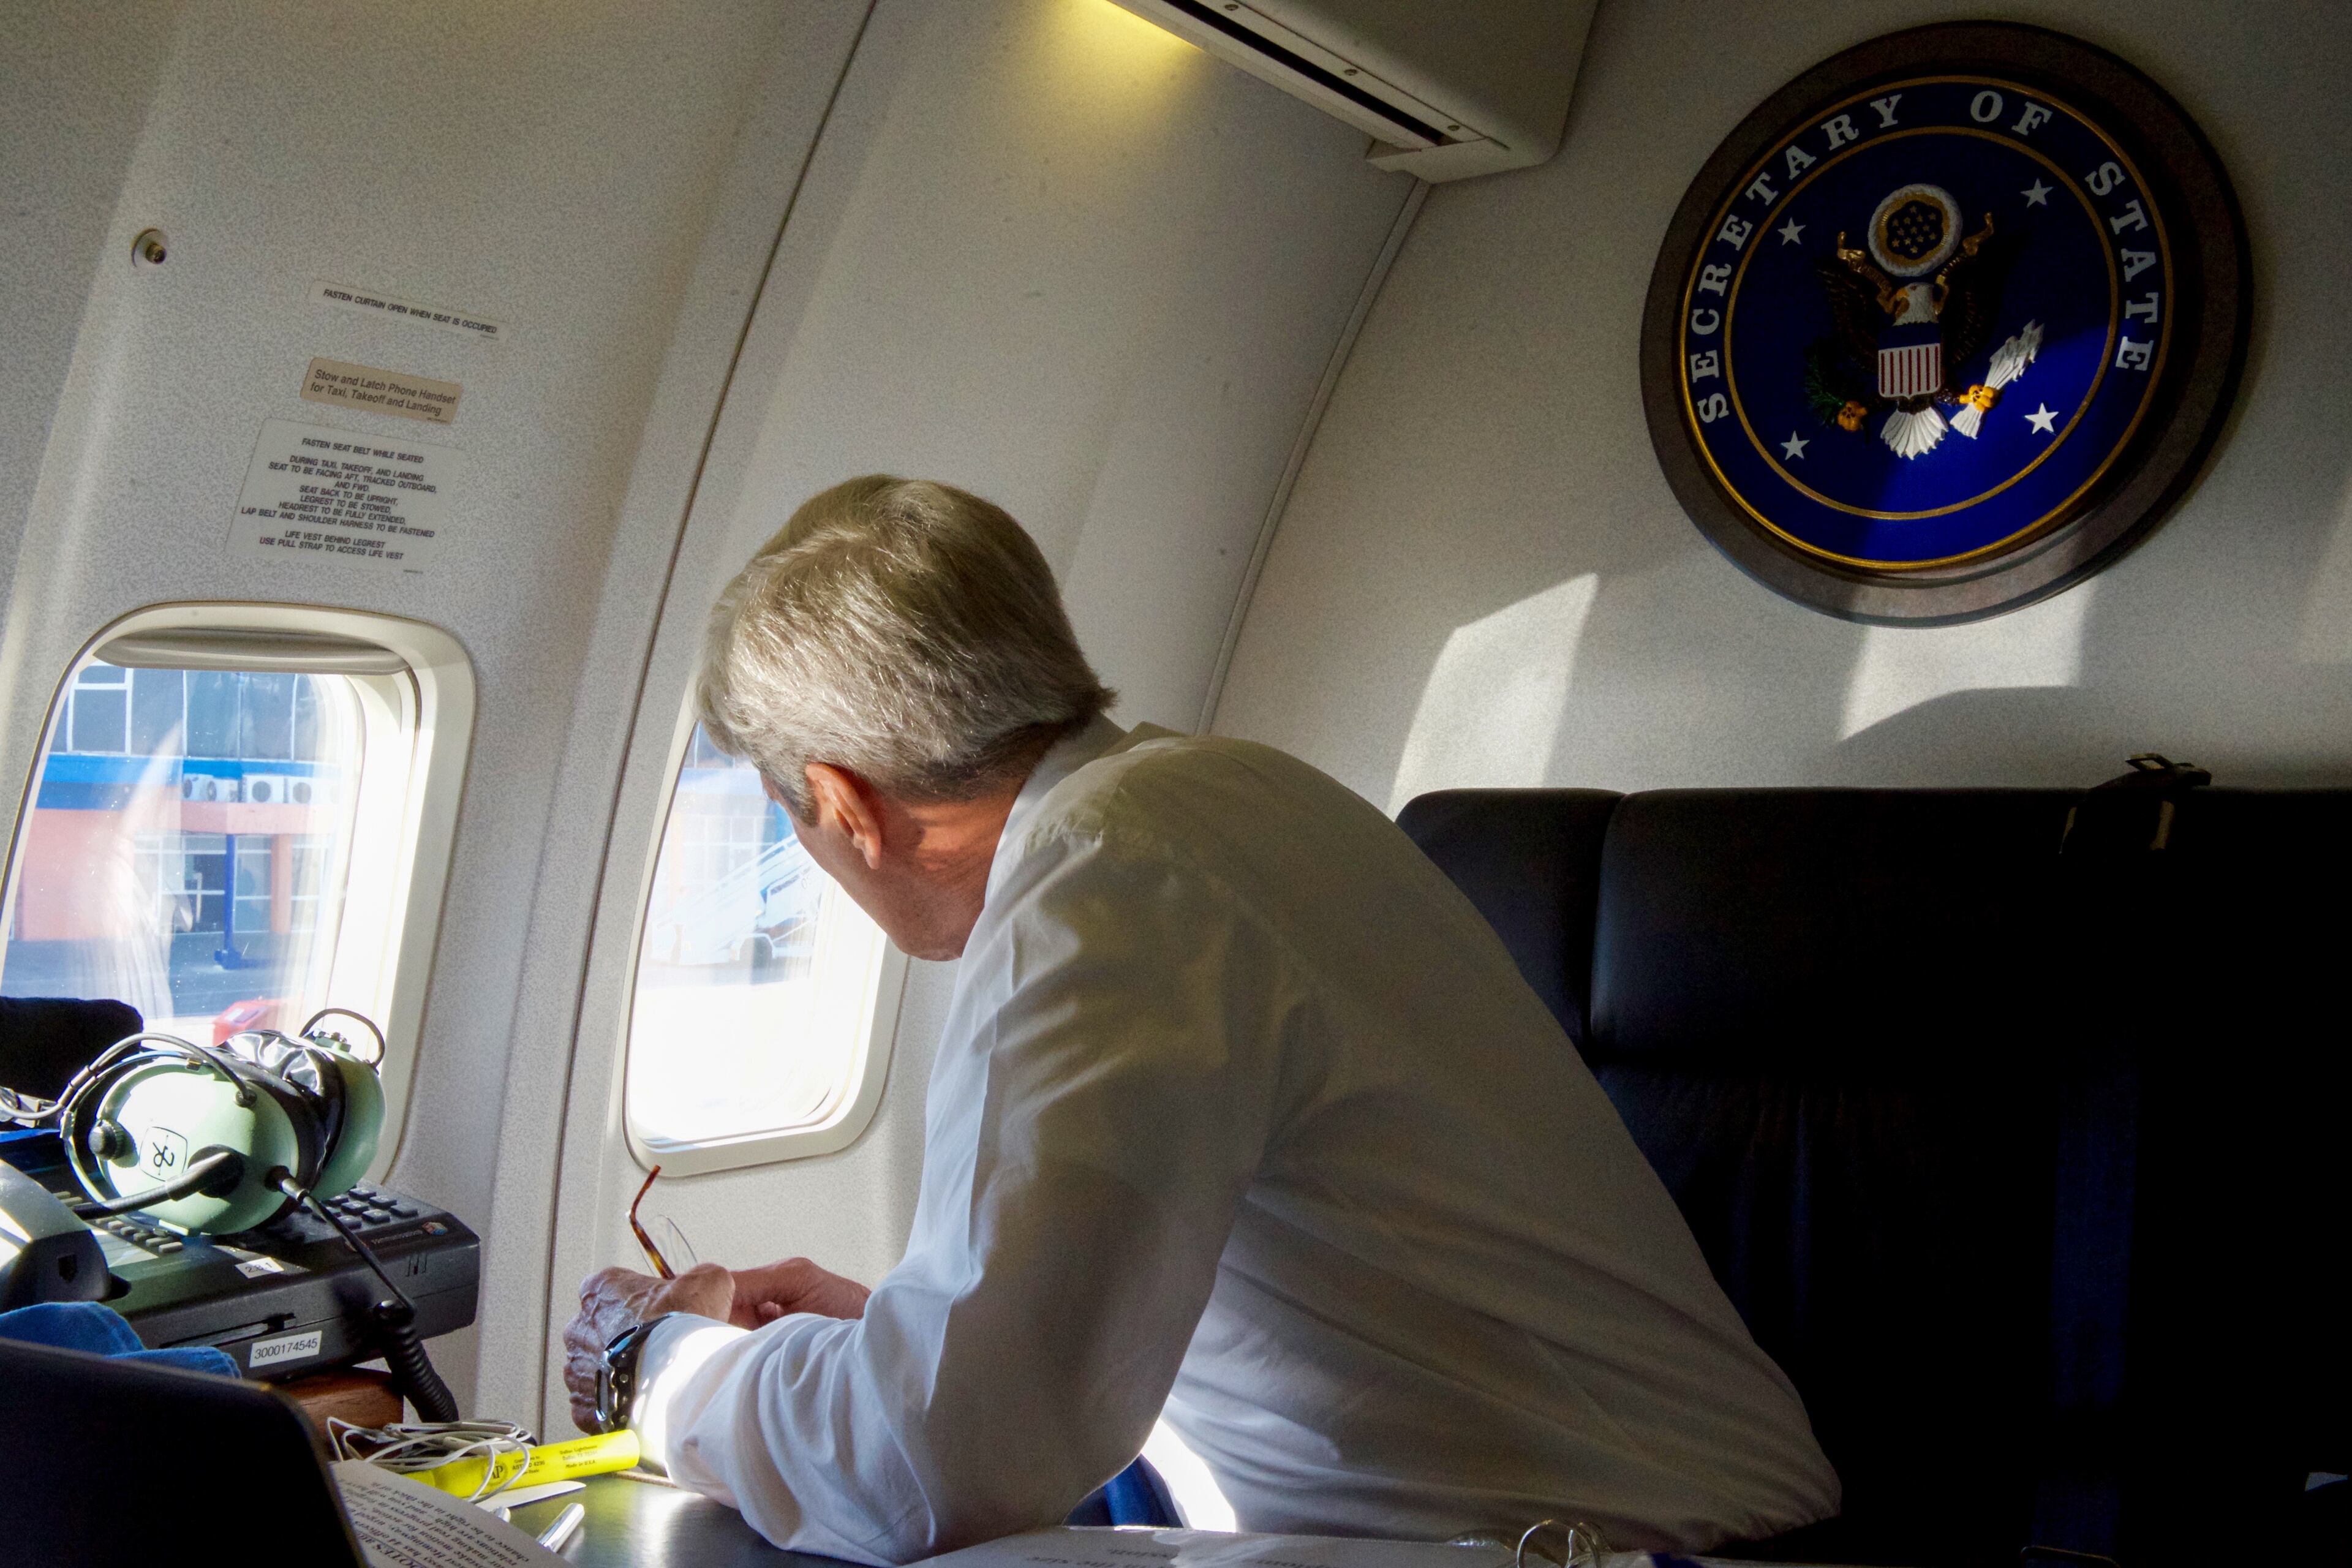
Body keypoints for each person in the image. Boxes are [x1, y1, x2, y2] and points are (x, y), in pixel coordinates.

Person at [561, 476, 1838, 1564]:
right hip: (1609, 1520)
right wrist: (893, 1326)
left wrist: (657, 1366)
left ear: (842, 804)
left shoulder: (1104, 886)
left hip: (1622, 1547)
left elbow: (938, 1461)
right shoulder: (1228, 794)